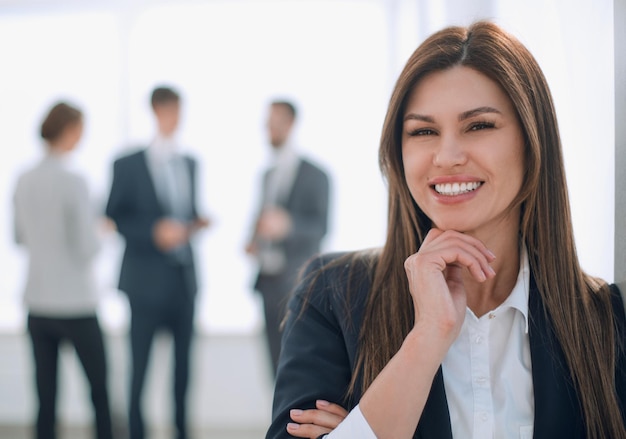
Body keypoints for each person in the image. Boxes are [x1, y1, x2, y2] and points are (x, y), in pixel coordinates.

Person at [266, 20, 626, 439]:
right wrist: (427, 338)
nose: (447, 156)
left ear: (532, 140)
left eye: (479, 126)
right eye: (423, 131)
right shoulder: (332, 296)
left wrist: (362, 426)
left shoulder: (605, 320)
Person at [105, 86, 209, 439]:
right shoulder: (127, 163)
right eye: (169, 110)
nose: (175, 118)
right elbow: (114, 217)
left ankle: (181, 431)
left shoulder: (190, 163)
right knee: (140, 370)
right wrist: (153, 231)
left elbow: (186, 214)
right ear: (155, 111)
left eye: (179, 111)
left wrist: (196, 224)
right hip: (144, 282)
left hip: (183, 282)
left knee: (183, 372)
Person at [13, 102, 113, 439]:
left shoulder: (23, 178)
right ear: (70, 131)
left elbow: (18, 237)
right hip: (76, 304)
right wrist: (104, 230)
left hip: (37, 302)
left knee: (45, 397)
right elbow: (87, 248)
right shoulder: (75, 181)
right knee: (99, 391)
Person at [246, 100, 330, 377]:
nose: (269, 128)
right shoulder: (266, 175)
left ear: (291, 123)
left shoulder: (316, 174)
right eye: (267, 122)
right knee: (274, 365)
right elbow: (260, 221)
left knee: (298, 365)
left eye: (275, 122)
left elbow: (320, 228)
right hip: (267, 281)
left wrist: (288, 226)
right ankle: (279, 421)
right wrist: (253, 240)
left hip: (296, 281)